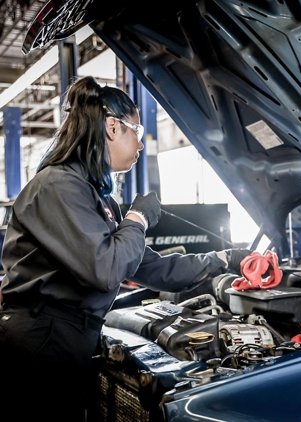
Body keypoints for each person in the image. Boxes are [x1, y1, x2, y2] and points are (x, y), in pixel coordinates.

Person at [0, 75, 251, 421]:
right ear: (113, 127)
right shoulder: (58, 186)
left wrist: (226, 258)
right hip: (41, 344)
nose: (142, 143)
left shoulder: (93, 195)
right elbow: (106, 269)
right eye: (137, 129)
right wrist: (137, 218)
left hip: (66, 339)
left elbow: (153, 268)